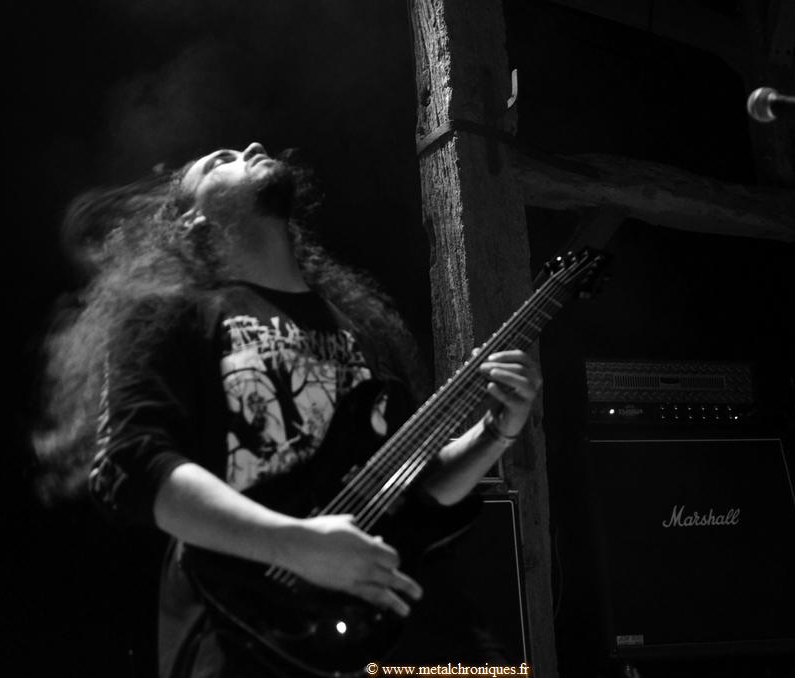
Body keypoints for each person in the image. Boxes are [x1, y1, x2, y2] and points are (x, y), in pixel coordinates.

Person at [34, 142, 542, 678]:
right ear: (191, 221)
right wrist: (292, 545)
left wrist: (493, 434)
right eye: (219, 160)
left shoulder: (366, 330)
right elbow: (132, 465)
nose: (252, 147)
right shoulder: (168, 314)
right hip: (248, 635)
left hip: (393, 626)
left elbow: (410, 490)